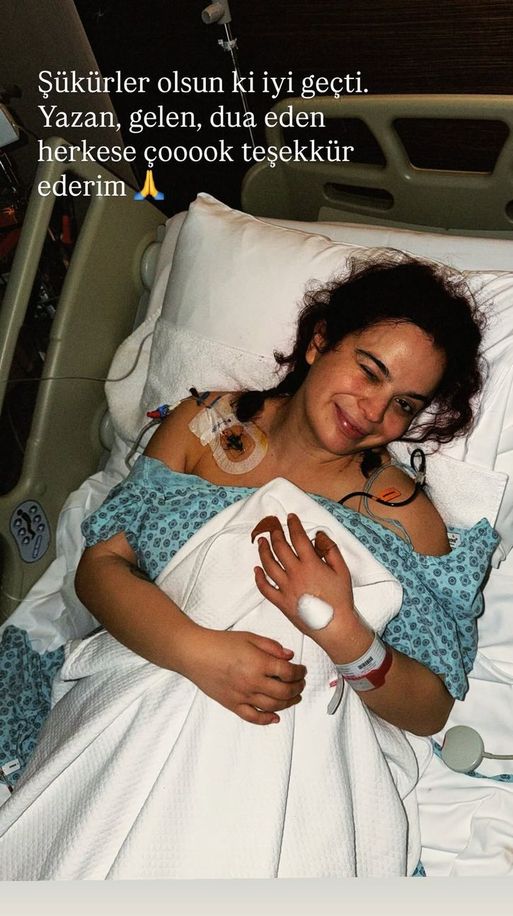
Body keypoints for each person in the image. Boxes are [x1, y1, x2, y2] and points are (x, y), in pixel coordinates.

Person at [0, 254, 498, 878]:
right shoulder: (206, 427)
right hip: (158, 666)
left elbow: (429, 709)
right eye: (369, 372)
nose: (373, 412)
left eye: (403, 404)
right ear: (320, 341)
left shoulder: (402, 515)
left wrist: (344, 633)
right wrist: (200, 654)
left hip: (302, 724)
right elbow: (101, 567)